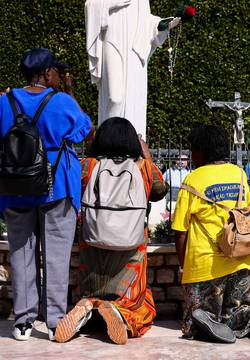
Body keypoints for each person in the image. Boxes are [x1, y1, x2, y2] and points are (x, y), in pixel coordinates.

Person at [0, 48, 92, 341]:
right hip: (56, 186)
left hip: (15, 186)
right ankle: (54, 322)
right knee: (55, 255)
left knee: (21, 253)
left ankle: (23, 322)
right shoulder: (61, 101)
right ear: (47, 73)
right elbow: (85, 130)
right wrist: (68, 91)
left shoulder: (4, 101)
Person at [55, 117, 168, 344]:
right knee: (139, 307)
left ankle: (87, 305)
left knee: (91, 288)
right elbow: (160, 190)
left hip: (93, 243)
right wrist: (146, 155)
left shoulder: (88, 166)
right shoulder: (144, 169)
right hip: (131, 248)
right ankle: (120, 312)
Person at [172, 125, 250, 343]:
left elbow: (180, 230)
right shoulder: (239, 174)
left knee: (196, 318)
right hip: (243, 258)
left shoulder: (193, 180)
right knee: (240, 308)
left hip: (206, 264)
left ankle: (208, 325)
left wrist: (184, 264)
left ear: (202, 151)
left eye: (193, 150)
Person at [85, 0, 181, 138]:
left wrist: (162, 25)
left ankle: (131, 145)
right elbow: (90, 5)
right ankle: (108, 144)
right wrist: (113, 3)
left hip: (134, 51)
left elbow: (146, 21)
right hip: (112, 42)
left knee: (133, 96)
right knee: (115, 97)